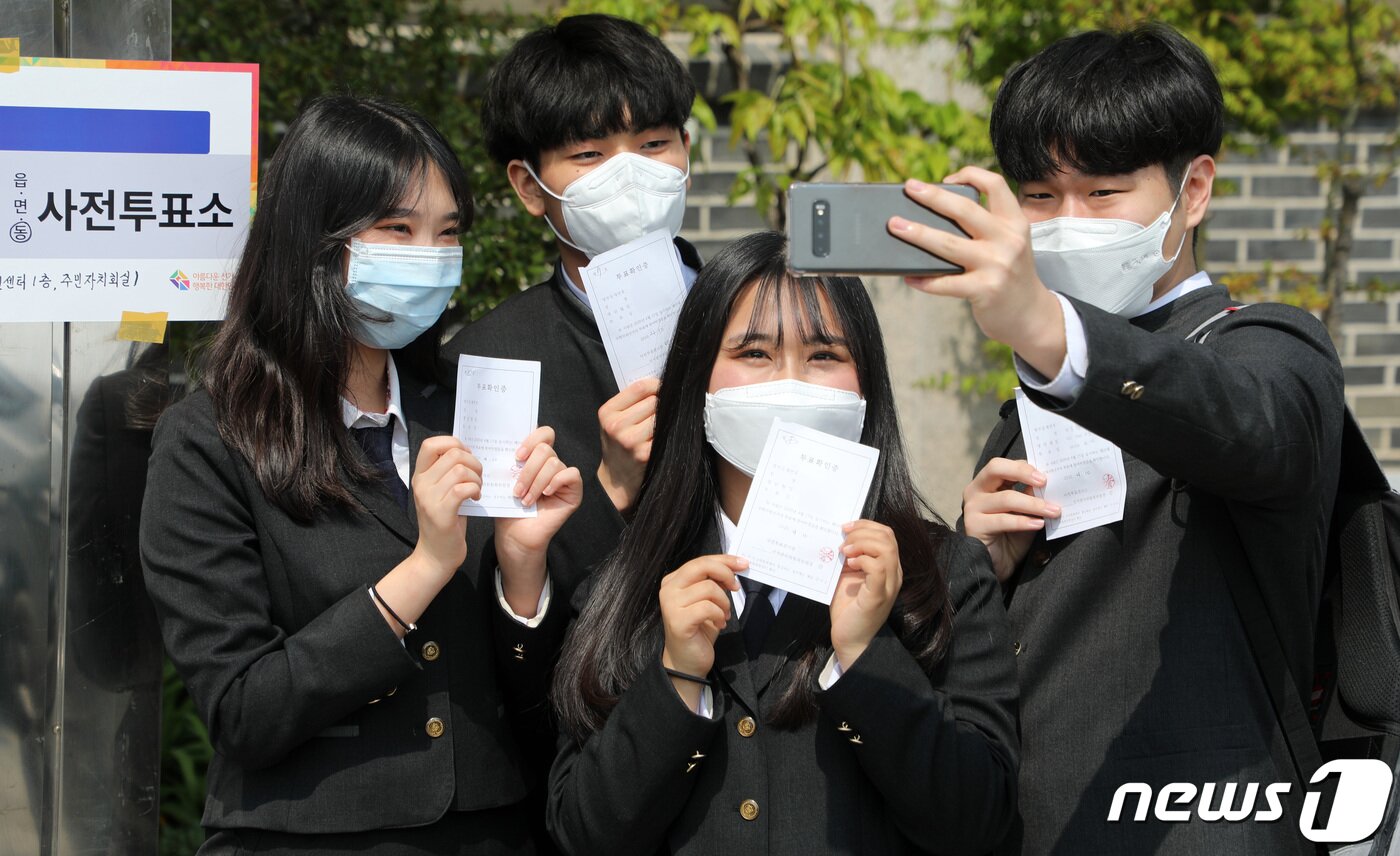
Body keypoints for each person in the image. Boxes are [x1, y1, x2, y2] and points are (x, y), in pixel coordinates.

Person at [889, 24, 1345, 855]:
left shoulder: (1270, 348)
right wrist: (977, 560)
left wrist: (1052, 330)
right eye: (1039, 197)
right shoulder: (1035, 389)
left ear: (1193, 190)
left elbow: (1251, 425)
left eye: (1103, 194)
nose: (1067, 224)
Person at [140, 94, 582, 855]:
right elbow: (244, 709)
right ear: (314, 241)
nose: (430, 256)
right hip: (307, 836)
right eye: (398, 230)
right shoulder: (210, 438)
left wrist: (523, 572)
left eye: (447, 234)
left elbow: (540, 694)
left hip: (490, 830)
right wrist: (424, 567)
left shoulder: (469, 405)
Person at [546, 231, 1020, 856]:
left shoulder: (946, 575)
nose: (791, 382)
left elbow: (982, 824)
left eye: (824, 354)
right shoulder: (629, 580)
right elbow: (581, 835)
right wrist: (677, 676)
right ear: (699, 382)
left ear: (865, 385)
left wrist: (864, 652)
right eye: (754, 353)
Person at [446, 13, 700, 595]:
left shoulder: (762, 318)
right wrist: (610, 487)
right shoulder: (487, 363)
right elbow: (499, 594)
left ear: (686, 151)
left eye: (653, 143)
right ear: (530, 185)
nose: (629, 174)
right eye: (589, 154)